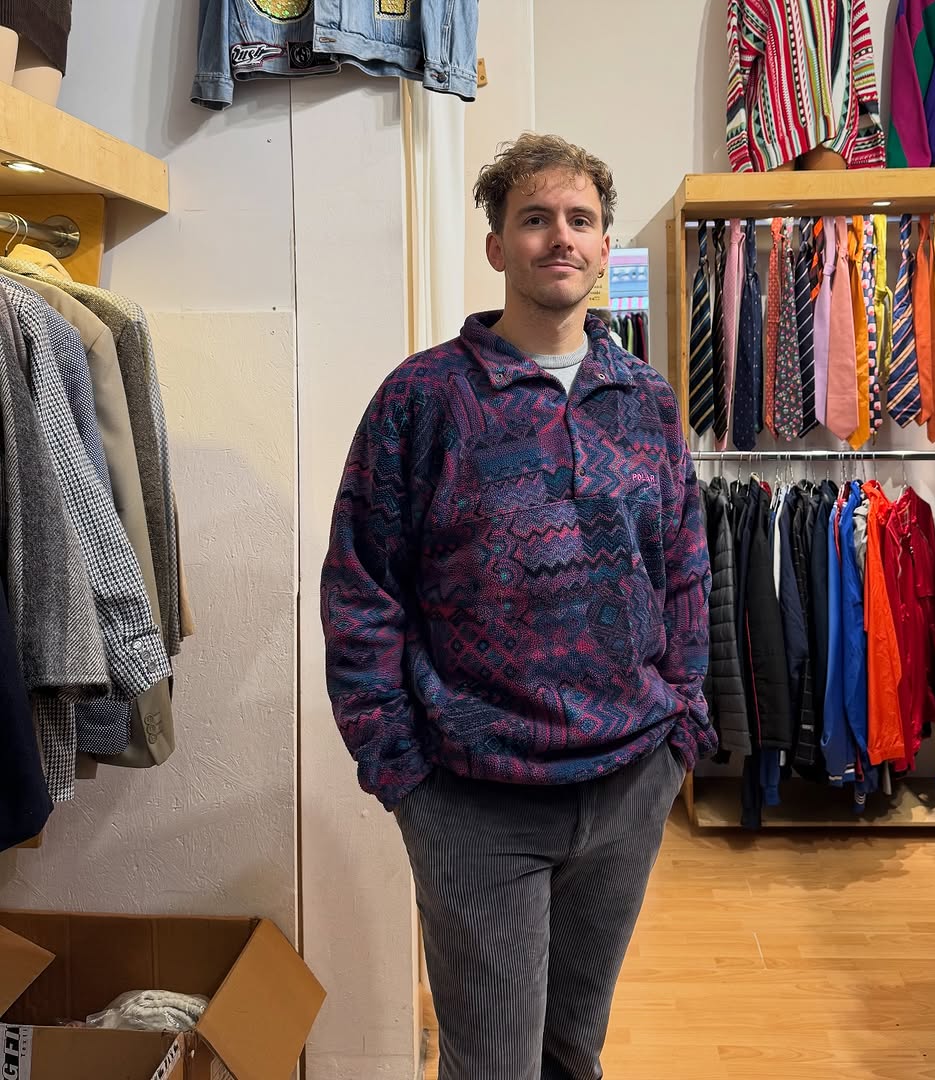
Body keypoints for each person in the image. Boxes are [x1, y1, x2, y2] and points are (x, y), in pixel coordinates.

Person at [320, 132, 716, 1080]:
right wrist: (399, 769)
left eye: (580, 219)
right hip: (473, 795)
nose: (559, 237)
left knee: (573, 1052)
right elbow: (361, 587)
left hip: (627, 783)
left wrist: (682, 731)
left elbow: (685, 568)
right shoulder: (424, 398)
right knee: (492, 1063)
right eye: (535, 219)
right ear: (498, 245)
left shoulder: (646, 400)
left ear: (605, 244)